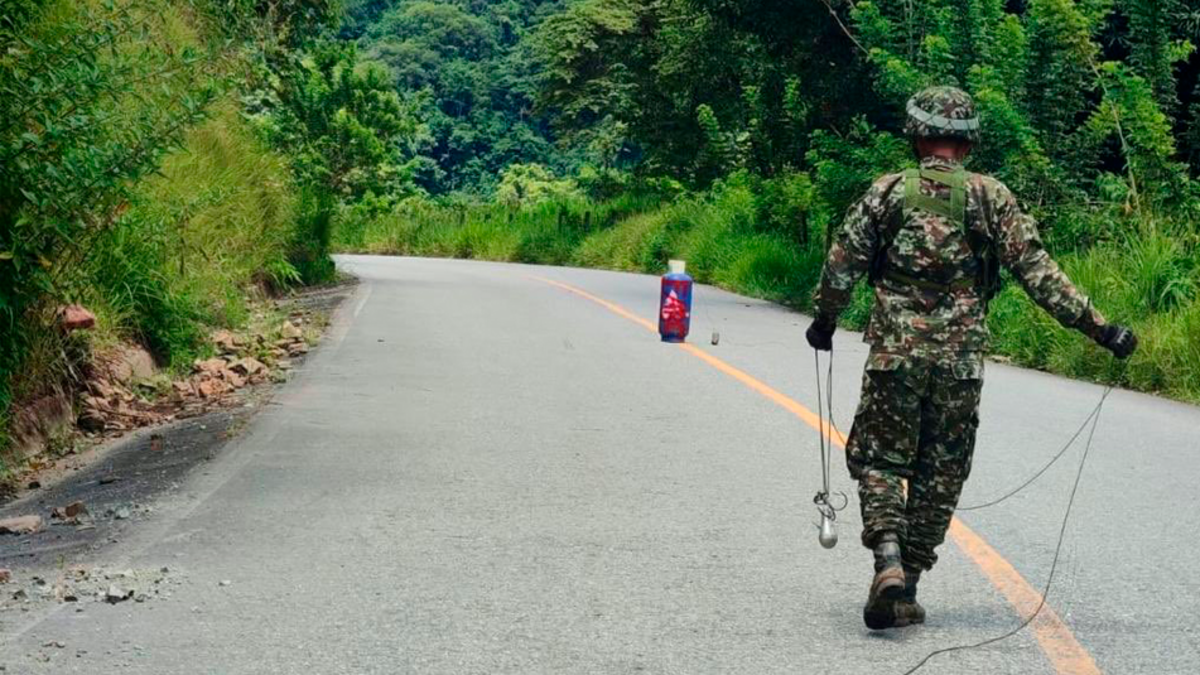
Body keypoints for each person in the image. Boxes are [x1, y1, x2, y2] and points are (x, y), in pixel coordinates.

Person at [805, 86, 1138, 630]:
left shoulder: (887, 193)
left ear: (915, 134)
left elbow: (841, 265)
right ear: (969, 141)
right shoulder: (992, 197)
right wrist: (1102, 330)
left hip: (895, 356)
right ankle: (907, 582)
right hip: (959, 364)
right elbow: (1039, 274)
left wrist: (824, 322)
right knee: (942, 470)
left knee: (882, 460)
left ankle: (887, 552)